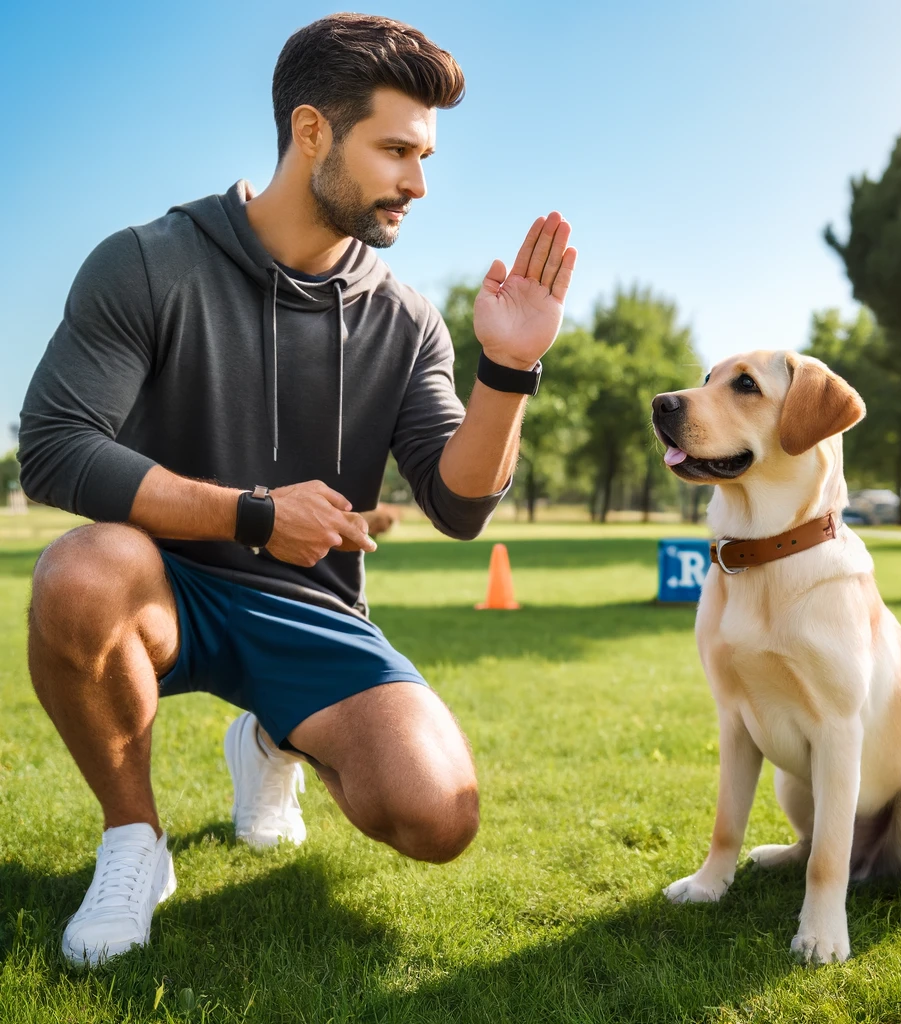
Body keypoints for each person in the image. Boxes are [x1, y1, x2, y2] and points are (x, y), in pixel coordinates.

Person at [18, 13, 575, 967]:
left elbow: (459, 504)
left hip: (310, 605)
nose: (418, 182)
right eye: (395, 149)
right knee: (79, 572)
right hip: (162, 584)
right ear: (312, 131)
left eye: (426, 153)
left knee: (436, 814)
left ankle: (273, 738)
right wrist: (250, 514)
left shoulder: (406, 318)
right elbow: (56, 445)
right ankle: (133, 842)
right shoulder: (150, 262)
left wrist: (509, 371)